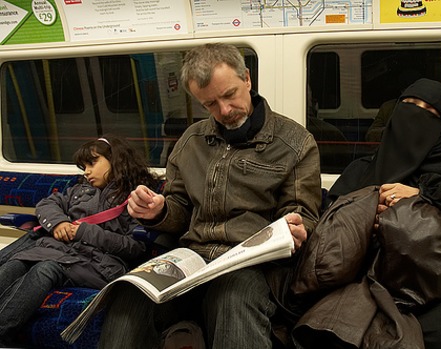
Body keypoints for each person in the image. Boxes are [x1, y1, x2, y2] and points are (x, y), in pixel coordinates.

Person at [98, 43, 322, 349]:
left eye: (229, 95)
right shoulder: (191, 142)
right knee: (132, 294)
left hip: (252, 267)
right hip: (193, 259)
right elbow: (180, 209)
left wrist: (296, 227)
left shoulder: (294, 143)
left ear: (247, 78)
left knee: (232, 295)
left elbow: (304, 213)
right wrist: (159, 211)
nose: (224, 112)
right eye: (210, 104)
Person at [328, 78, 441, 348]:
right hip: (370, 281)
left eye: (429, 112)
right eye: (409, 105)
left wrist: (424, 200)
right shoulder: (363, 170)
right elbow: (330, 219)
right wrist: (366, 217)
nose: (416, 115)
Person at [0, 135, 158, 347]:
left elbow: (135, 247)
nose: (87, 172)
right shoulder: (79, 190)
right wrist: (58, 223)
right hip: (65, 252)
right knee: (15, 264)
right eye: (83, 166)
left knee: (44, 269)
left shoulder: (136, 197)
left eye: (92, 163)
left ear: (115, 159)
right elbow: (47, 204)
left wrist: (83, 232)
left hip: (101, 264)